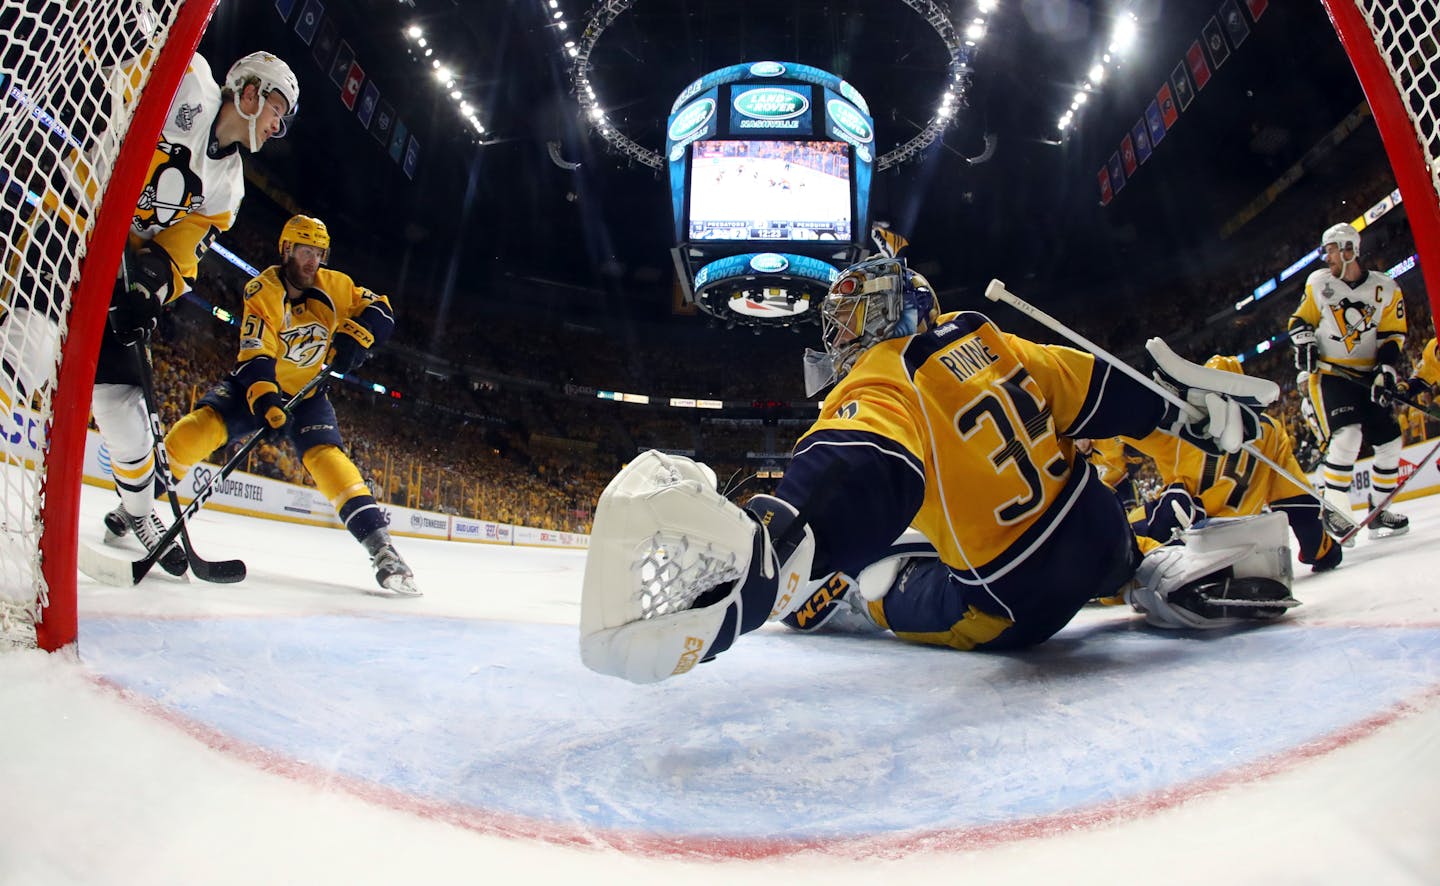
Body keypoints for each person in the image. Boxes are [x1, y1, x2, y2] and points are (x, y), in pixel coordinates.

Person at [579, 255, 1294, 684]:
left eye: (852, 319)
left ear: (887, 316)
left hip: (1021, 602)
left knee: (878, 577)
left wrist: (780, 538)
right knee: (991, 504)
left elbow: (860, 471)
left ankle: (851, 600)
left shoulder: (881, 378)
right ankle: (1147, 571)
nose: (842, 336)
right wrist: (1185, 415)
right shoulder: (988, 337)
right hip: (1098, 530)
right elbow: (1103, 391)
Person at [96, 49, 300, 575]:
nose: (279, 125)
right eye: (278, 108)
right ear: (250, 93)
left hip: (117, 271)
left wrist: (150, 285)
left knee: (122, 403)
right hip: (73, 228)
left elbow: (183, 251)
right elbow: (117, 80)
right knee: (27, 342)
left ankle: (140, 515)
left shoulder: (227, 188)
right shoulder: (188, 82)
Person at [161, 215, 419, 596]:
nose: (312, 261)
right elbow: (256, 354)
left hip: (309, 397)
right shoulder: (261, 290)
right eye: (304, 251)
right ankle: (135, 507)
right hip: (257, 389)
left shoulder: (336, 286)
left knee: (328, 458)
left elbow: (381, 310)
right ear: (286, 250)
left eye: (318, 252)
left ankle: (383, 549)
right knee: (198, 430)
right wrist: (267, 401)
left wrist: (358, 337)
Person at [1124, 355, 1341, 573]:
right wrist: (1321, 549)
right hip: (1240, 546)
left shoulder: (1183, 427)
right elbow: (1295, 500)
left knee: (1123, 531)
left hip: (1185, 537)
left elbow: (1124, 421)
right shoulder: (1270, 431)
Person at [1287, 221, 1409, 540]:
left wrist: (1386, 370)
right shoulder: (1319, 284)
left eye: (1330, 251)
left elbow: (1392, 335)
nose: (1326, 258)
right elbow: (1300, 320)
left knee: (1390, 442)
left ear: (1349, 250)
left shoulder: (1385, 288)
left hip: (1369, 376)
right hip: (1333, 376)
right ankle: (1335, 511)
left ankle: (1379, 512)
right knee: (1348, 438)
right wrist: (1306, 342)